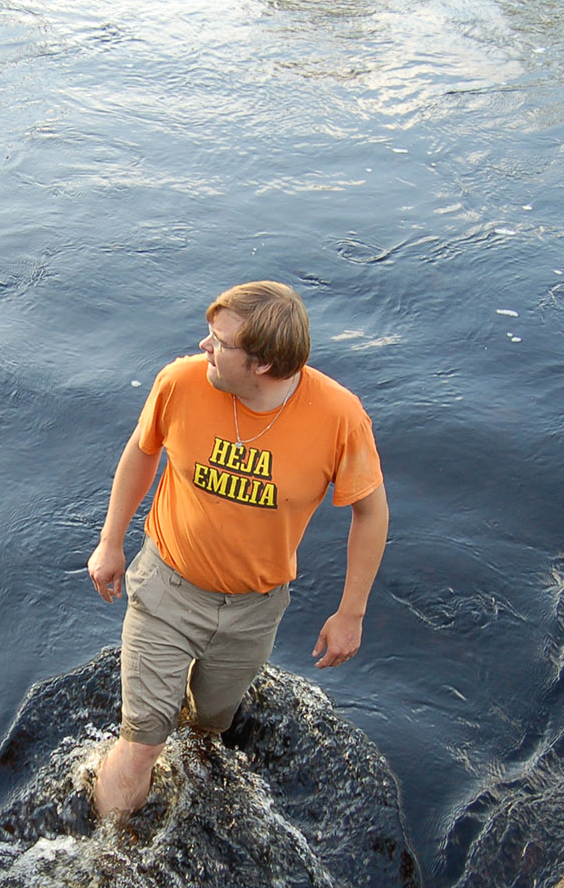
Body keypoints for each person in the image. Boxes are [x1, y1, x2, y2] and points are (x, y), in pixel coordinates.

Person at [86, 281, 388, 819]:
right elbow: (141, 451)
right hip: (166, 589)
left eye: (220, 342)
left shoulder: (339, 417)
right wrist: (110, 541)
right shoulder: (180, 382)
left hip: (254, 611)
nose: (204, 346)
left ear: (263, 365)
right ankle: (107, 857)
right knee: (142, 743)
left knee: (209, 729)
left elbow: (371, 512)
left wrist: (352, 613)